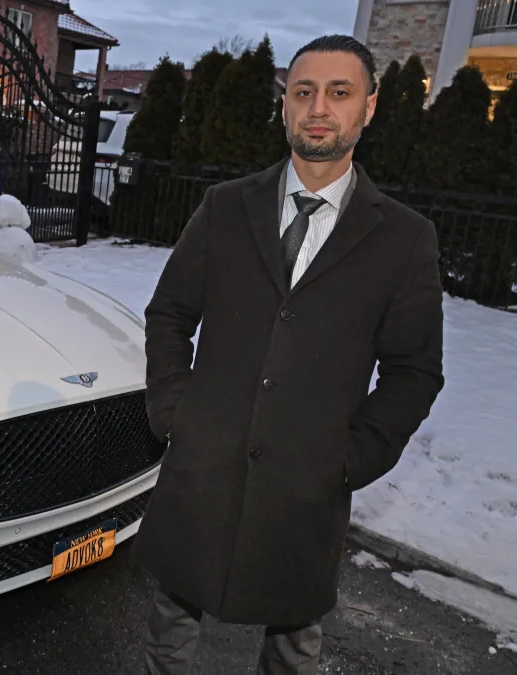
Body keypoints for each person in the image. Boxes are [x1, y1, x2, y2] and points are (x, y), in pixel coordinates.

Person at [132, 35, 445, 675]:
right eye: (303, 92)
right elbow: (169, 314)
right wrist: (174, 411)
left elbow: (414, 371)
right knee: (169, 631)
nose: (319, 108)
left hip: (306, 493)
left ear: (369, 108)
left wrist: (350, 460)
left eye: (339, 92)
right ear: (285, 108)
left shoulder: (405, 239)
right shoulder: (225, 207)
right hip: (202, 472)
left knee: (294, 647)